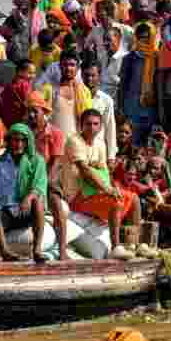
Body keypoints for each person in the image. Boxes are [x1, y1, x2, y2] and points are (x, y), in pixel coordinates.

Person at [63, 109, 143, 261]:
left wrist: (113, 188)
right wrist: (108, 189)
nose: (92, 127)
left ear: (100, 127)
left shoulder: (100, 144)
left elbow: (104, 173)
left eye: (95, 124)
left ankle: (134, 244)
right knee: (115, 203)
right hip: (77, 197)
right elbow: (85, 170)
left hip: (95, 192)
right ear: (81, 125)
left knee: (134, 199)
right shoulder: (74, 141)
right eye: (88, 124)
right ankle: (116, 248)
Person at [0, 124, 50, 263]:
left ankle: (37, 249)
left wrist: (28, 198)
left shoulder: (36, 160)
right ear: (9, 141)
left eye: (22, 140)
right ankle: (2, 252)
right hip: (7, 210)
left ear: (28, 142)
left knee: (38, 200)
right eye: (15, 140)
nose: (19, 144)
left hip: (27, 210)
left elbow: (39, 186)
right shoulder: (2, 161)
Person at [27, 91, 68, 260]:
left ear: (44, 112)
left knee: (57, 206)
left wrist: (43, 183)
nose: (31, 115)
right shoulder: (25, 132)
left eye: (35, 111)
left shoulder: (56, 133)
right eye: (29, 111)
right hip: (27, 177)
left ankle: (63, 250)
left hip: (48, 177)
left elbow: (56, 162)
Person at [35, 49, 94, 140]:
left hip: (77, 144)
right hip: (53, 142)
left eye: (72, 65)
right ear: (59, 66)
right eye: (65, 65)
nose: (68, 68)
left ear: (78, 68)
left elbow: (89, 118)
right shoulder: (49, 90)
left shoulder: (84, 92)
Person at [118, 22, 159, 146]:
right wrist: (121, 107)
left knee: (149, 143)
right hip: (131, 107)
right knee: (132, 141)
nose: (144, 40)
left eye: (147, 37)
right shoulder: (129, 58)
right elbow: (122, 85)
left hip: (150, 107)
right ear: (136, 38)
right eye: (141, 37)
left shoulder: (157, 57)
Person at [81, 57, 118, 164]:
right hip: (79, 150)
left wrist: (111, 157)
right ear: (81, 75)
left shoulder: (106, 101)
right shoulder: (75, 97)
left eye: (93, 75)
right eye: (86, 75)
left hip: (98, 152)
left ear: (99, 76)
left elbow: (110, 129)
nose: (89, 79)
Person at [1, 0, 45, 65]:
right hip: (15, 57)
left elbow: (43, 36)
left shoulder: (40, 17)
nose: (21, 1)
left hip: (34, 56)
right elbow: (4, 35)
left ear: (32, 0)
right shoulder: (12, 18)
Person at [0, 60, 36, 130]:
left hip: (6, 121)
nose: (33, 76)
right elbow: (29, 103)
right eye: (30, 73)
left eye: (34, 73)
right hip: (20, 122)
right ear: (20, 72)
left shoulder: (9, 84)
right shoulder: (25, 85)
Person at [101, 24, 129, 102]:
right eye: (104, 40)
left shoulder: (125, 58)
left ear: (118, 39)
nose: (105, 43)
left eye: (108, 40)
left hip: (116, 101)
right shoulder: (104, 56)